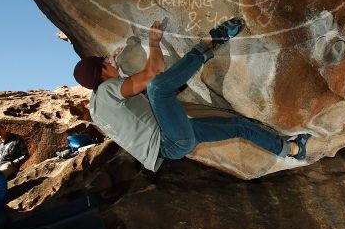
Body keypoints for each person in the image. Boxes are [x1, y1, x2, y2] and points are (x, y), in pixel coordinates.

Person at [73, 18, 311, 173]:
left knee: (238, 126)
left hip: (172, 143)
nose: (110, 61)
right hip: (170, 140)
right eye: (105, 61)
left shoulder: (97, 106)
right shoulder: (107, 90)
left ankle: (291, 150)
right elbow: (153, 75)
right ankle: (210, 43)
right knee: (157, 88)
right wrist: (154, 42)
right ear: (101, 72)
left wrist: (116, 70)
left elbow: (133, 109)